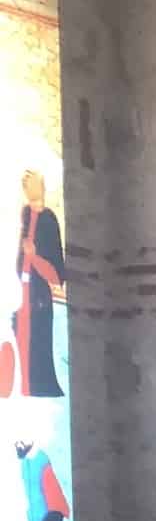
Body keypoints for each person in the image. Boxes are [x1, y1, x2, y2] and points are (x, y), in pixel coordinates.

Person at [16, 171, 62, 400]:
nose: (27, 188)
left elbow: (56, 273)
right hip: (21, 293)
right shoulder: (25, 215)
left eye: (31, 184)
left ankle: (38, 389)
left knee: (38, 345)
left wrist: (34, 258)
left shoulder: (48, 220)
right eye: (25, 185)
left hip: (39, 296)